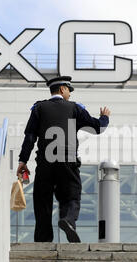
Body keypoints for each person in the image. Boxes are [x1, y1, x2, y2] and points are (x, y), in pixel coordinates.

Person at [16, 76, 111, 243]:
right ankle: (68, 220)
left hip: (45, 162)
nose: (70, 94)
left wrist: (23, 161)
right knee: (71, 195)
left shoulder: (38, 108)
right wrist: (104, 117)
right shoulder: (74, 109)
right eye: (69, 90)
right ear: (62, 89)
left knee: (42, 200)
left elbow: (29, 137)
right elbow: (98, 128)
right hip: (67, 160)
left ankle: (43, 240)